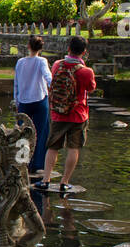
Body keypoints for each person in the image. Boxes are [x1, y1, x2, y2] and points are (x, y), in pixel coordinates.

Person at [37, 36, 96, 192]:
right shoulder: (86, 71)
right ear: (84, 52)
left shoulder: (57, 65)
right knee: (73, 147)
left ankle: (45, 179)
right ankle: (64, 182)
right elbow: (90, 88)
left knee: (53, 147)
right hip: (78, 114)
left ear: (68, 48)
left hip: (58, 113)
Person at [14, 36, 54, 177]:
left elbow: (16, 83)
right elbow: (48, 76)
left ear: (28, 46)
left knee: (23, 132)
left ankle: (23, 160)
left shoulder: (20, 62)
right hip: (39, 99)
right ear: (40, 48)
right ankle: (37, 164)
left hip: (24, 100)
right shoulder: (42, 61)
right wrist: (54, 86)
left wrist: (16, 100)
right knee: (40, 132)